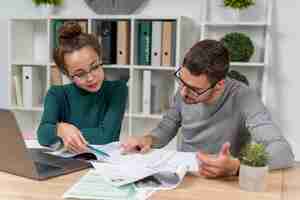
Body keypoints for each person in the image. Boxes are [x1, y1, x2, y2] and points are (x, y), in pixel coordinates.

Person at [121, 39, 294, 178]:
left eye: (195, 89)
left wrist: (237, 167)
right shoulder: (185, 89)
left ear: (219, 85)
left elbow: (282, 151)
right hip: (186, 176)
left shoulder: (244, 97)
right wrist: (148, 139)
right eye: (181, 81)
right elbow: (167, 127)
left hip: (226, 179)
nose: (183, 92)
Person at [37, 21, 128, 153]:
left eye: (95, 67)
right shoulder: (56, 94)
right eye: (80, 74)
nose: (91, 78)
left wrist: (62, 133)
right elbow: (42, 135)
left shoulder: (117, 90)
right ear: (67, 74)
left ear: (100, 58)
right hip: (69, 164)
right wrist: (60, 128)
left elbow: (106, 136)